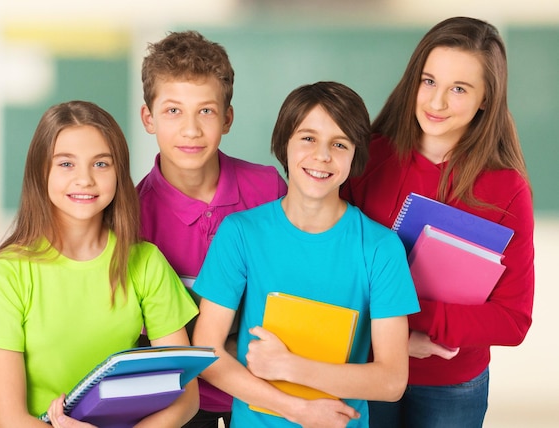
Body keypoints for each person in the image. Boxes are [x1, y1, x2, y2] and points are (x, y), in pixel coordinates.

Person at [340, 16, 535, 428]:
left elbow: (514, 320)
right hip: (367, 366)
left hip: (452, 384)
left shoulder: (507, 189)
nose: (437, 102)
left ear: (486, 99)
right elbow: (334, 270)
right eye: (429, 81)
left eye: (459, 89)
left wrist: (420, 326)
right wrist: (399, 337)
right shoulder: (366, 159)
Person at [191, 81, 420, 428]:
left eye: (339, 143)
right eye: (308, 138)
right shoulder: (240, 233)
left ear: (355, 154)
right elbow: (207, 353)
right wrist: (295, 409)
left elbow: (391, 382)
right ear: (284, 143)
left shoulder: (381, 248)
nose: (322, 155)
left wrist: (289, 367)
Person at [0, 101, 200, 428]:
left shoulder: (146, 263)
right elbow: (9, 420)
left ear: (119, 172)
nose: (84, 179)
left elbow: (186, 396)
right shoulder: (5, 275)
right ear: (40, 171)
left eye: (101, 164)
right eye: (66, 164)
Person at [136, 30, 288, 428]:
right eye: (173, 111)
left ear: (227, 118)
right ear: (148, 118)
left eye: (205, 111)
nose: (191, 129)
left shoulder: (269, 188)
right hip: (178, 401)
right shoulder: (131, 215)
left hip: (264, 389)